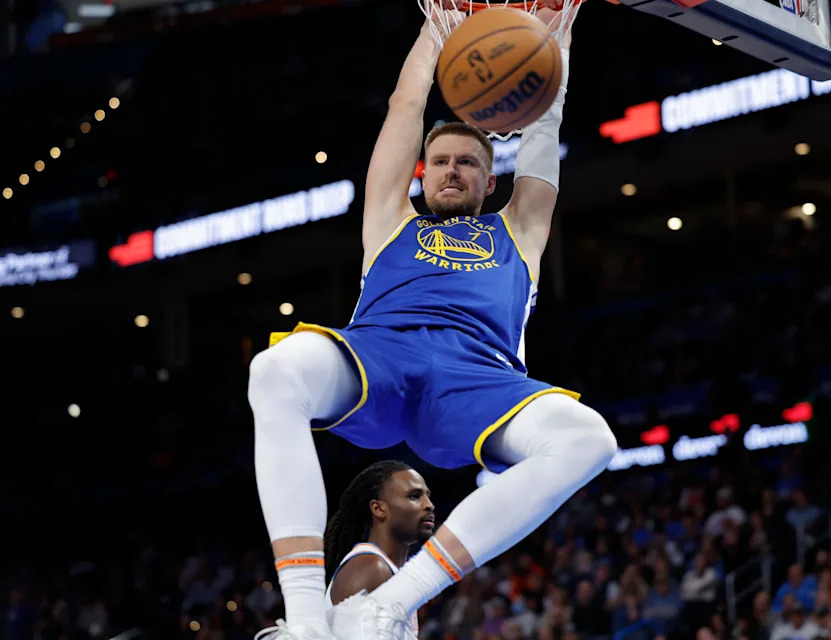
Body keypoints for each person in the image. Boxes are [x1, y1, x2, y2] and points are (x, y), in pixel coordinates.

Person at [247, 3, 616, 639]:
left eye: (467, 162)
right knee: (273, 370)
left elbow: (543, 131)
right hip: (378, 356)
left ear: (489, 176)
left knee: (592, 441)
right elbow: (402, 107)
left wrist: (557, 40)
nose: (451, 169)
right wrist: (438, 24)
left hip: (476, 381)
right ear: (424, 173)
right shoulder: (391, 219)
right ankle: (305, 620)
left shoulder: (519, 230)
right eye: (440, 161)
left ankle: (396, 601)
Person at [322, 460, 434, 638]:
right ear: (379, 509)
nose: (429, 505)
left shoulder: (386, 570)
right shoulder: (372, 568)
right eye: (414, 496)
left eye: (428, 496)